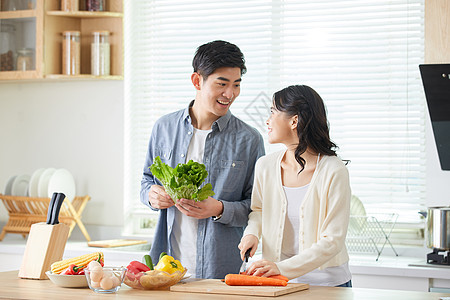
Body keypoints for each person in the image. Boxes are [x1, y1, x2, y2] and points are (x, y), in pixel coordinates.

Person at [140, 40, 265, 279]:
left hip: (222, 270)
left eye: (236, 85)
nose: (230, 94)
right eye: (222, 84)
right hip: (166, 269)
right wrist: (151, 195)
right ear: (197, 81)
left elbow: (257, 208)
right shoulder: (164, 128)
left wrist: (219, 208)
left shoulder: (249, 140)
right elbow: (146, 180)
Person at [238, 85, 352, 287]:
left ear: (294, 120)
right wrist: (252, 233)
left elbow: (332, 240)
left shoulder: (333, 170)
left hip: (327, 284)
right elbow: (258, 210)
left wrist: (283, 268)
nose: (267, 120)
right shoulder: (265, 165)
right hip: (279, 282)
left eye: (273, 112)